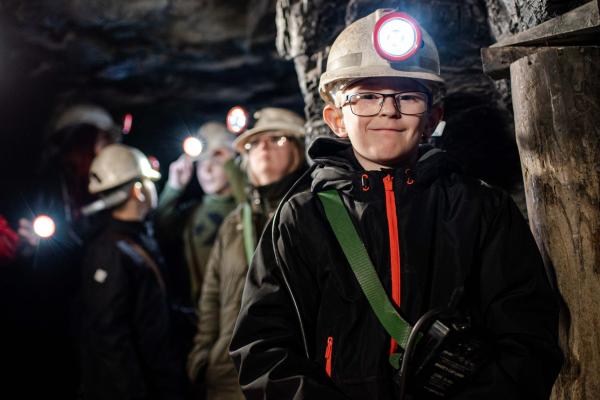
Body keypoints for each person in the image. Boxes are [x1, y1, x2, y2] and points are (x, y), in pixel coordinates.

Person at [229, 9, 563, 400]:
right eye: (366, 97)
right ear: (336, 119)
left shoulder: (481, 209)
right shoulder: (301, 217)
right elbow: (262, 349)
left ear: (432, 117)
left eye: (407, 96)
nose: (389, 110)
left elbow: (527, 339)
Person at [187, 108, 308, 400]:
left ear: (298, 148)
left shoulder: (312, 215)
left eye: (276, 139)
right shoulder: (234, 225)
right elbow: (211, 295)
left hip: (291, 377)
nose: (263, 147)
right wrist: (203, 355)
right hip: (228, 376)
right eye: (254, 144)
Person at [80, 144, 185, 400]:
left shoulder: (137, 239)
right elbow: (110, 339)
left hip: (159, 378)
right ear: (138, 190)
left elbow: (151, 311)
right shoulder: (112, 252)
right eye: (149, 181)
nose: (153, 188)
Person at [155, 122, 243, 307]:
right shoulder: (193, 212)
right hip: (204, 308)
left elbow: (252, 208)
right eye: (202, 162)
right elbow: (162, 228)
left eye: (216, 162)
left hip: (244, 303)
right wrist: (174, 187)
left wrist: (231, 166)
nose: (207, 170)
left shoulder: (245, 206)